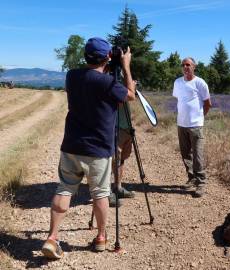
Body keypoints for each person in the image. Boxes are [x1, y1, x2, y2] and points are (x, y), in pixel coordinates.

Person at [41, 37, 136, 259]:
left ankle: (52, 238)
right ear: (108, 57)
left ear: (86, 56)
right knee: (101, 193)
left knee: (64, 188)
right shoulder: (107, 84)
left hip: (72, 145)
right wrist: (126, 67)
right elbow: (129, 95)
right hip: (98, 149)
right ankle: (101, 238)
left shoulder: (71, 76)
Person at [172, 57, 211, 198]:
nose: (185, 67)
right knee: (185, 154)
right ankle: (191, 178)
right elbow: (179, 100)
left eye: (188, 64)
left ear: (194, 66)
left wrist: (200, 117)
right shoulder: (177, 82)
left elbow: (208, 103)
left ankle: (201, 183)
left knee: (198, 155)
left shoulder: (200, 83)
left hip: (196, 125)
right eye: (183, 65)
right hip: (181, 124)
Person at [108, 102, 135, 207]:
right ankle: (107, 192)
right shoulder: (113, 85)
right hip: (114, 124)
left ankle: (117, 187)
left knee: (122, 158)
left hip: (126, 125)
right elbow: (129, 96)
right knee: (112, 158)